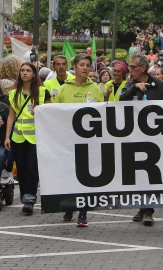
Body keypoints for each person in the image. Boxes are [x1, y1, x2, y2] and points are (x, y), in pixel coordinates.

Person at [120, 54, 163, 227]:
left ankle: (148, 210)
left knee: (150, 173)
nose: (130, 70)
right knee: (138, 174)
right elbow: (121, 100)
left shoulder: (159, 85)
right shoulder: (130, 83)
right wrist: (134, 88)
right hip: (134, 136)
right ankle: (142, 208)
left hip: (154, 138)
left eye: (133, 67)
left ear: (142, 68)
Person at [56, 54, 104, 226]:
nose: (85, 68)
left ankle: (83, 212)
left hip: (89, 141)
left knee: (84, 176)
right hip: (68, 140)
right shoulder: (63, 89)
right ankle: (70, 206)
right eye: (81, 65)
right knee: (69, 175)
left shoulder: (96, 89)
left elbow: (102, 114)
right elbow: (56, 114)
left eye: (88, 65)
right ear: (74, 67)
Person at [4, 62, 51, 214]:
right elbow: (11, 116)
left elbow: (51, 112)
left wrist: (42, 108)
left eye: (28, 71)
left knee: (31, 167)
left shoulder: (43, 92)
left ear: (34, 74)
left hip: (36, 137)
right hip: (18, 137)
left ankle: (30, 199)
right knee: (22, 169)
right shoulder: (13, 93)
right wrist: (7, 137)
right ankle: (25, 196)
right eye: (22, 71)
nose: (24, 73)